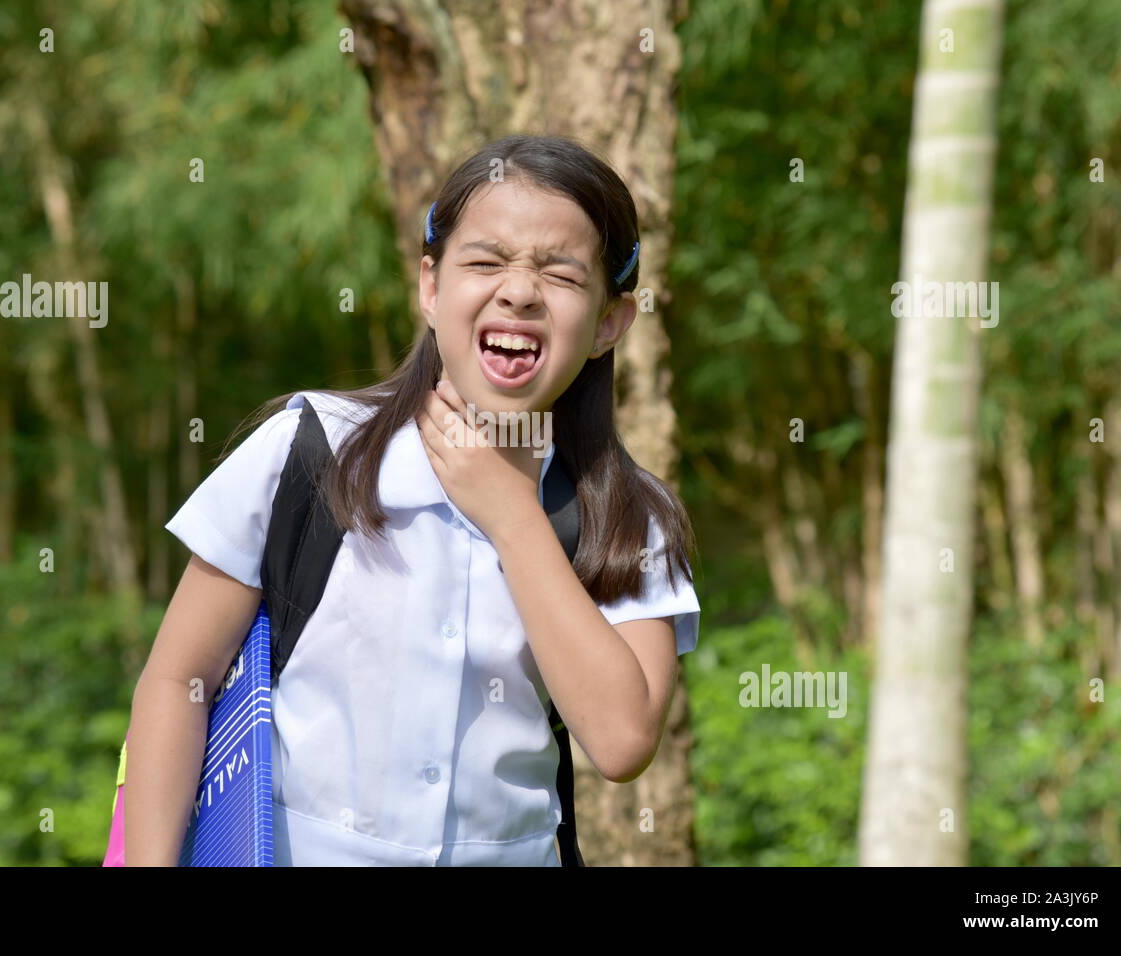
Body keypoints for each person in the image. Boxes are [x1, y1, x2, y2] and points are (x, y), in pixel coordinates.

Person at [124, 133, 701, 866]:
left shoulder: (626, 512)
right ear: (430, 287)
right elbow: (180, 681)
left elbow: (622, 740)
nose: (519, 291)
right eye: (486, 261)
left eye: (560, 274)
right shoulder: (308, 451)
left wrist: (512, 514)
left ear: (610, 323)